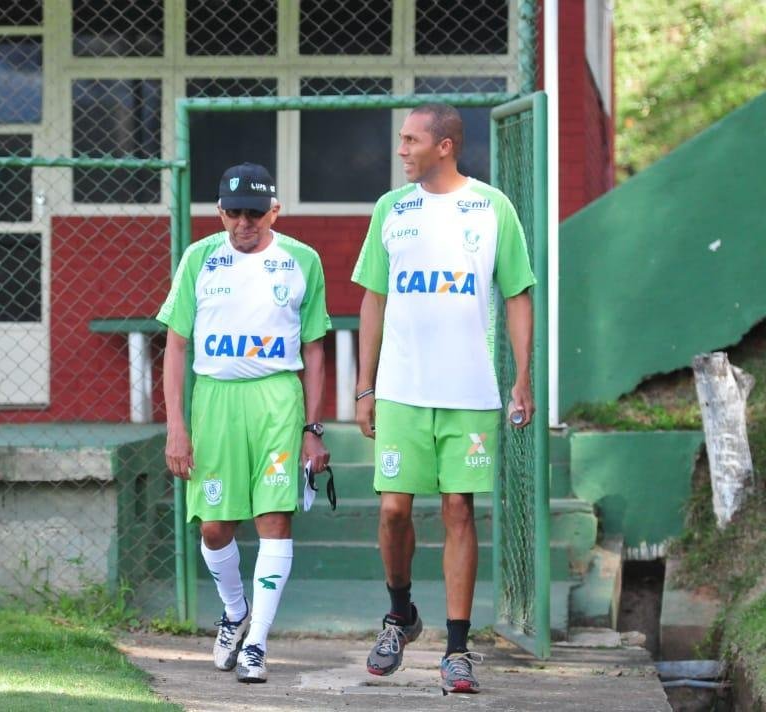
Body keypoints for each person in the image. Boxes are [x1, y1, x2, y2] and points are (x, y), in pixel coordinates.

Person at [351, 103, 536, 694]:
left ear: (446, 146)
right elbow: (373, 299)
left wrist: (523, 378)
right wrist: (365, 385)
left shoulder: (492, 208)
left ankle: (457, 651)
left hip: (470, 391)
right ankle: (400, 615)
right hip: (402, 389)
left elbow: (518, 294)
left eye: (411, 140)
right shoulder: (390, 208)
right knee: (393, 511)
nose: (401, 149)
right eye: (401, 140)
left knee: (459, 509)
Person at [157, 162, 331, 683]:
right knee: (213, 526)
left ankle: (257, 645)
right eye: (233, 212)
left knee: (275, 517)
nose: (243, 223)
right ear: (220, 211)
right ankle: (236, 613)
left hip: (278, 398)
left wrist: (312, 428)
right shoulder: (199, 258)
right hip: (214, 399)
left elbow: (315, 351)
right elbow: (176, 347)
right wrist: (176, 426)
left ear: (273, 211)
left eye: (254, 213)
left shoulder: (302, 260)